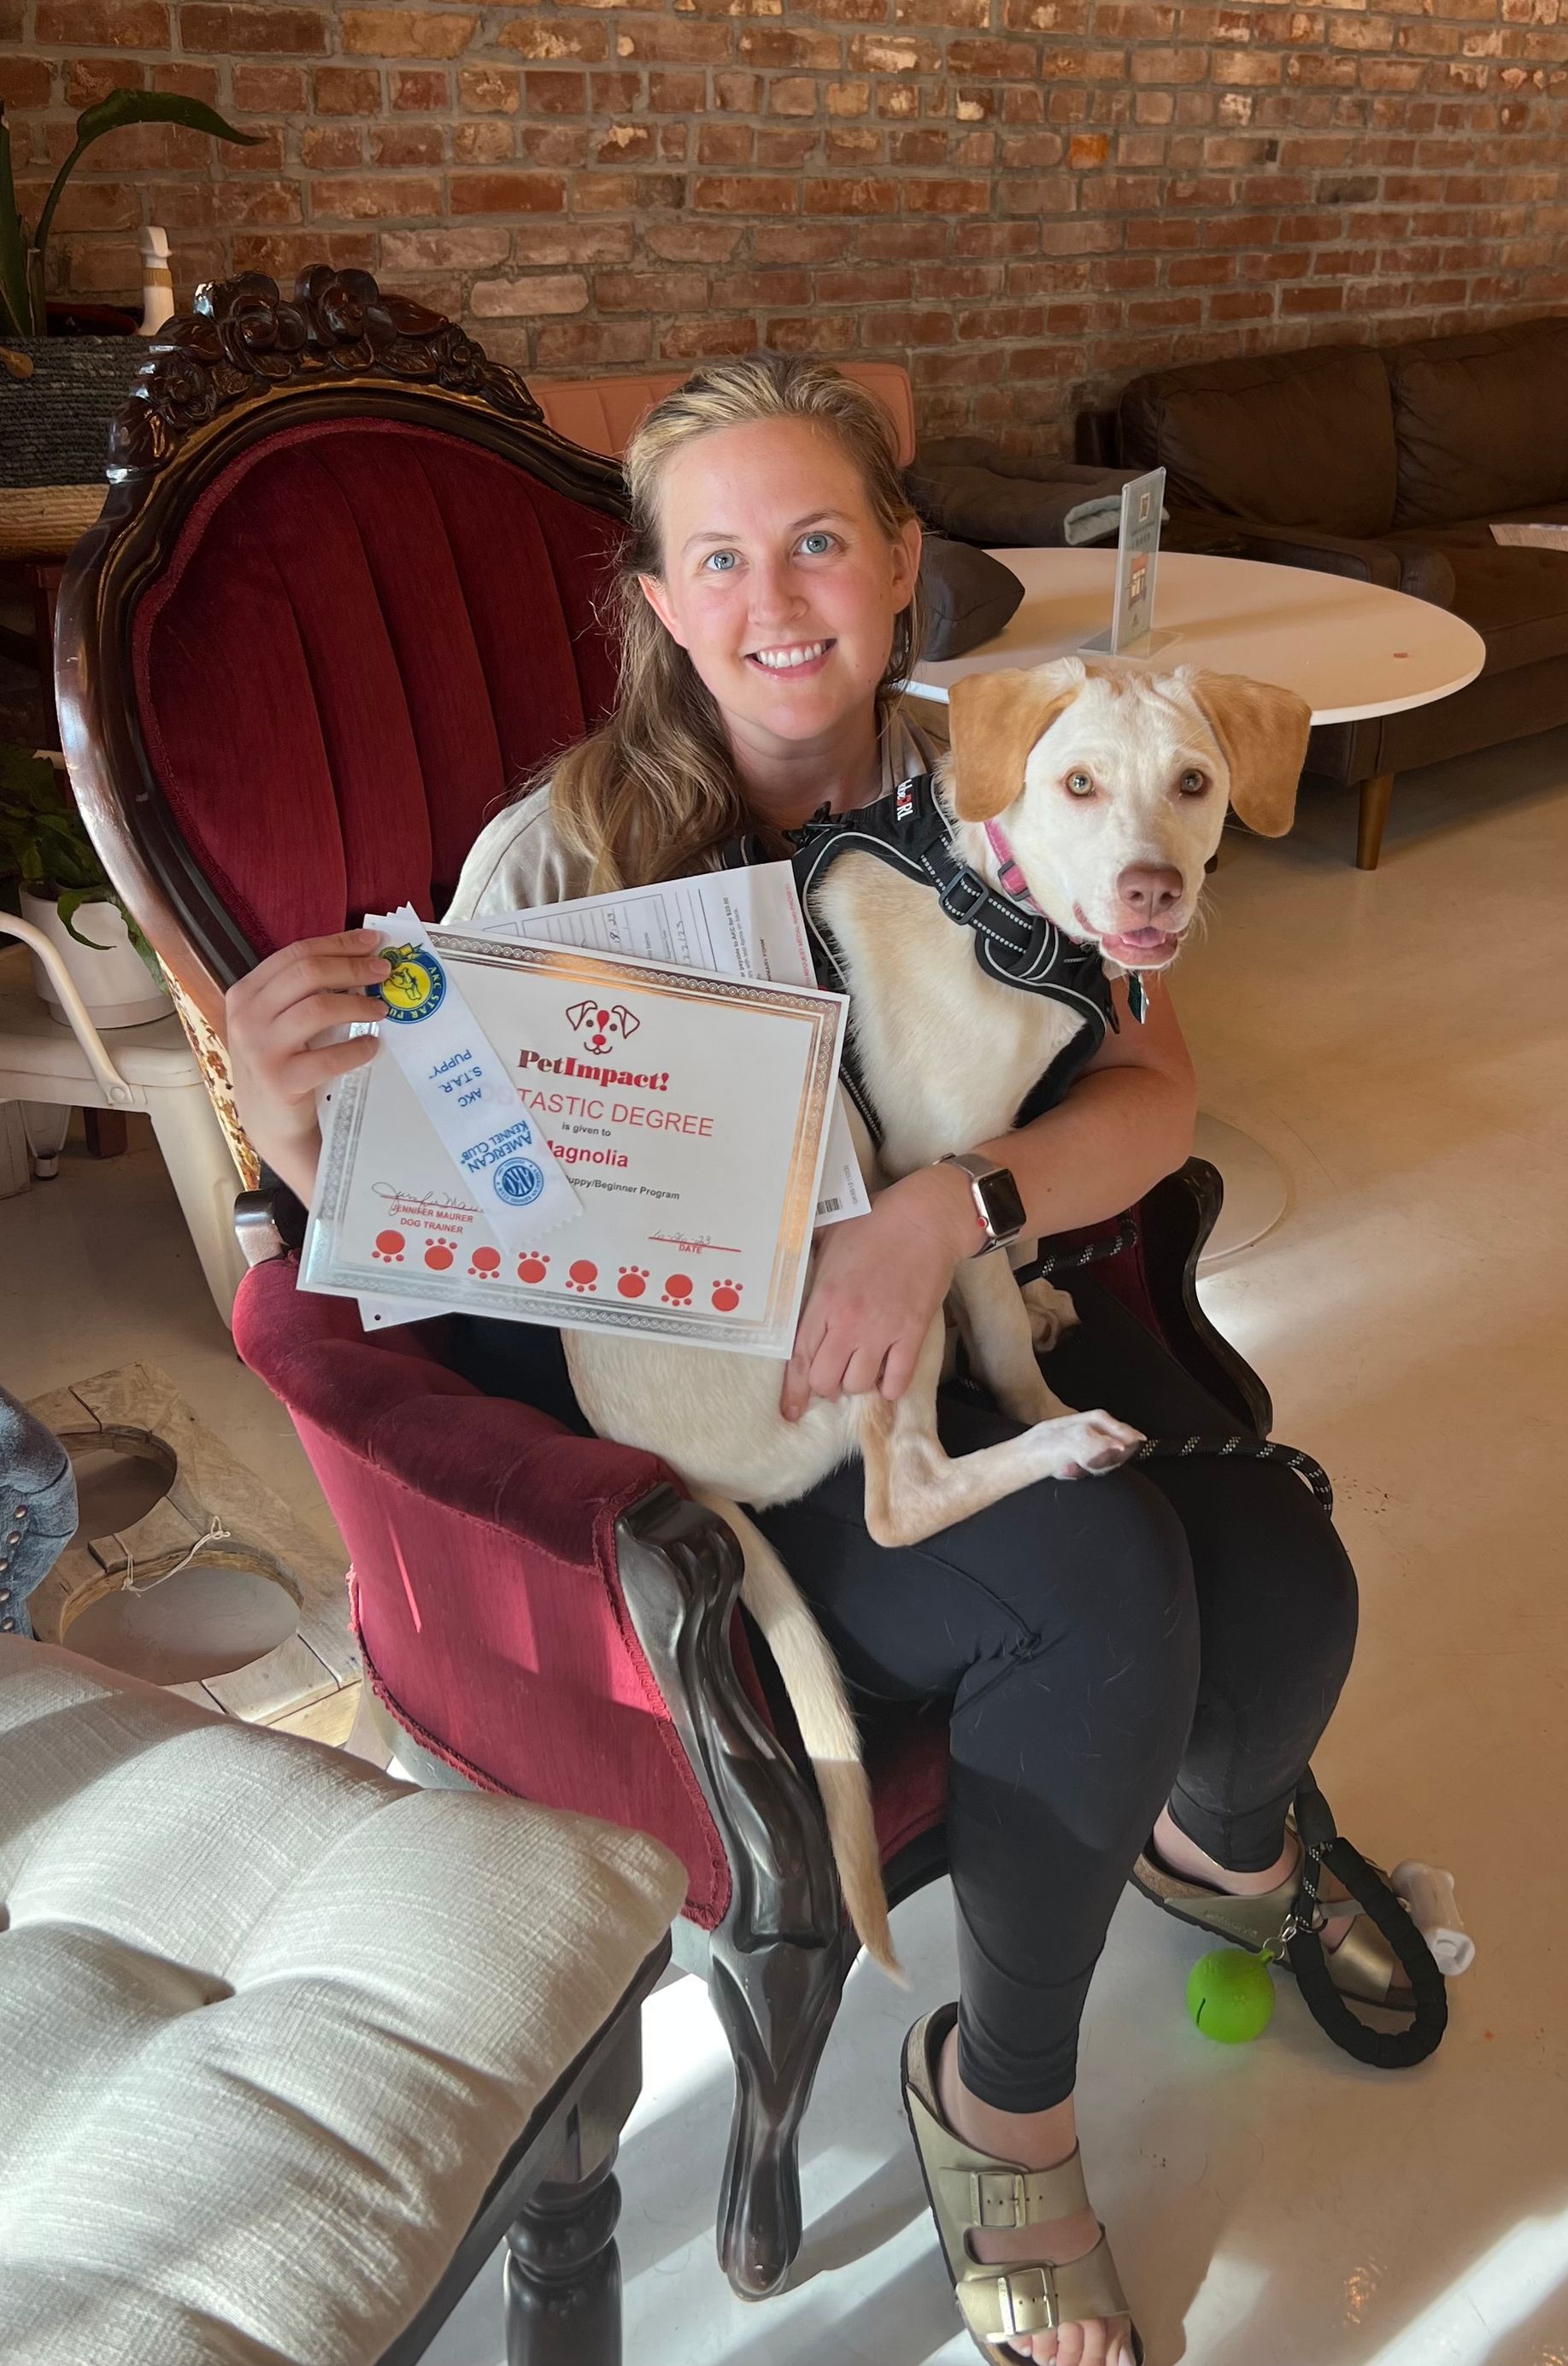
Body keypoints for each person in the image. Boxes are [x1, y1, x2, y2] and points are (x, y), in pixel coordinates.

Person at [226, 356, 1405, 2366]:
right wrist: (282, 1115)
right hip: (722, 1417)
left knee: (1290, 1574)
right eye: (719, 556)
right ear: (664, 602)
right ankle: (999, 2107)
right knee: (1109, 1588)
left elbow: (1153, 1095)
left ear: (900, 564)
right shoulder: (556, 860)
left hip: (962, 1307)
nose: (778, 595)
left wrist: (950, 1212)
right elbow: (423, 1217)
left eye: (822, 538)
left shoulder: (1017, 782)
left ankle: (1218, 1852)